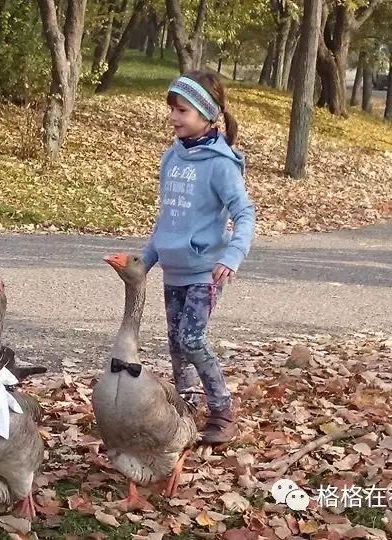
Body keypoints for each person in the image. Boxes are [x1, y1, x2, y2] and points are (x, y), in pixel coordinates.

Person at [142, 69, 256, 445]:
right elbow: (168, 217)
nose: (174, 117)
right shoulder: (171, 159)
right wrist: (146, 260)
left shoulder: (221, 164)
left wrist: (233, 256)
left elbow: (244, 215)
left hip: (206, 272)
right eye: (173, 109)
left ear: (207, 114)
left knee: (192, 339)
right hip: (173, 270)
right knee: (175, 344)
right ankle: (187, 412)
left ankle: (222, 410)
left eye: (183, 110)